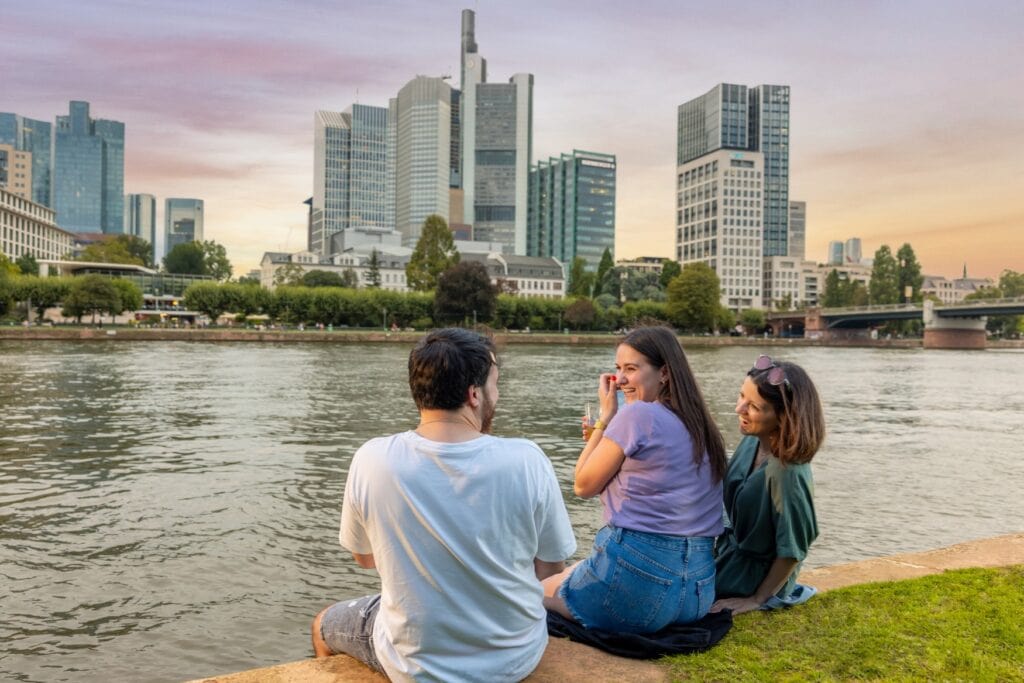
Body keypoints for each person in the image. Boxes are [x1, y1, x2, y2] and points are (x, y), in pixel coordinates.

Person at [311, 328, 576, 682]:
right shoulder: (527, 459)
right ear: (473, 395)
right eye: (495, 384)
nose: (497, 394)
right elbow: (550, 567)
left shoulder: (373, 458)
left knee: (323, 623)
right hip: (514, 657)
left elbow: (366, 558)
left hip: (415, 664)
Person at [543, 326, 727, 633]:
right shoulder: (703, 426)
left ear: (664, 373)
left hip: (640, 591)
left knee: (526, 594)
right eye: (618, 369)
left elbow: (582, 485)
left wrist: (605, 418)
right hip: (696, 593)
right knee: (571, 571)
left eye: (631, 368)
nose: (621, 380)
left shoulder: (638, 414)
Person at [710, 354, 825, 616]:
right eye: (741, 396)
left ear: (784, 416)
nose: (739, 409)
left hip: (752, 579)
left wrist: (758, 598)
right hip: (725, 557)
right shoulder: (752, 440)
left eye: (754, 406)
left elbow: (793, 551)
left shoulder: (787, 473)